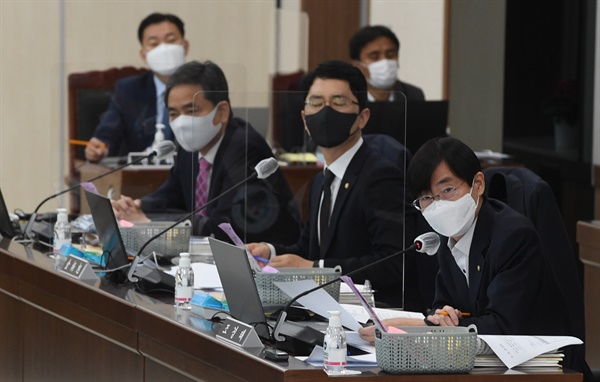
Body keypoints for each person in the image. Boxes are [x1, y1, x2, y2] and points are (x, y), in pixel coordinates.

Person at [357, 137, 592, 380]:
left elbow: (502, 327)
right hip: (487, 368)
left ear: (477, 184)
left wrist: (423, 328)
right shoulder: (449, 239)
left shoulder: (514, 237)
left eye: (447, 190)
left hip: (546, 372)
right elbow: (442, 305)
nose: (437, 206)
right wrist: (442, 315)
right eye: (427, 198)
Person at [248, 60, 426, 309]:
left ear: (362, 117)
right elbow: (310, 249)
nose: (326, 111)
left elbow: (394, 262)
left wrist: (315, 269)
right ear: (305, 119)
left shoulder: (381, 177)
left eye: (339, 102)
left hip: (374, 314)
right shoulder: (321, 180)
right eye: (316, 103)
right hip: (328, 310)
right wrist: (270, 252)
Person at [112, 61, 301, 245]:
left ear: (222, 112)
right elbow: (171, 194)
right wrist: (135, 206)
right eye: (174, 114)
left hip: (270, 259)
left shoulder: (244, 148)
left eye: (191, 110)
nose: (182, 122)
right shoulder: (191, 147)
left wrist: (149, 224)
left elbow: (222, 225)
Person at [85, 12, 190, 162]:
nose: (164, 49)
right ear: (143, 55)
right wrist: (99, 146)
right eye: (154, 44)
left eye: (171, 40)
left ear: (185, 46)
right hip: (140, 178)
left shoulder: (204, 88)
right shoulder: (129, 90)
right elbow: (108, 130)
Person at [349, 25, 424, 103]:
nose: (384, 61)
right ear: (356, 64)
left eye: (390, 55)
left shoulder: (413, 95)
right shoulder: (347, 97)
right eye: (374, 56)